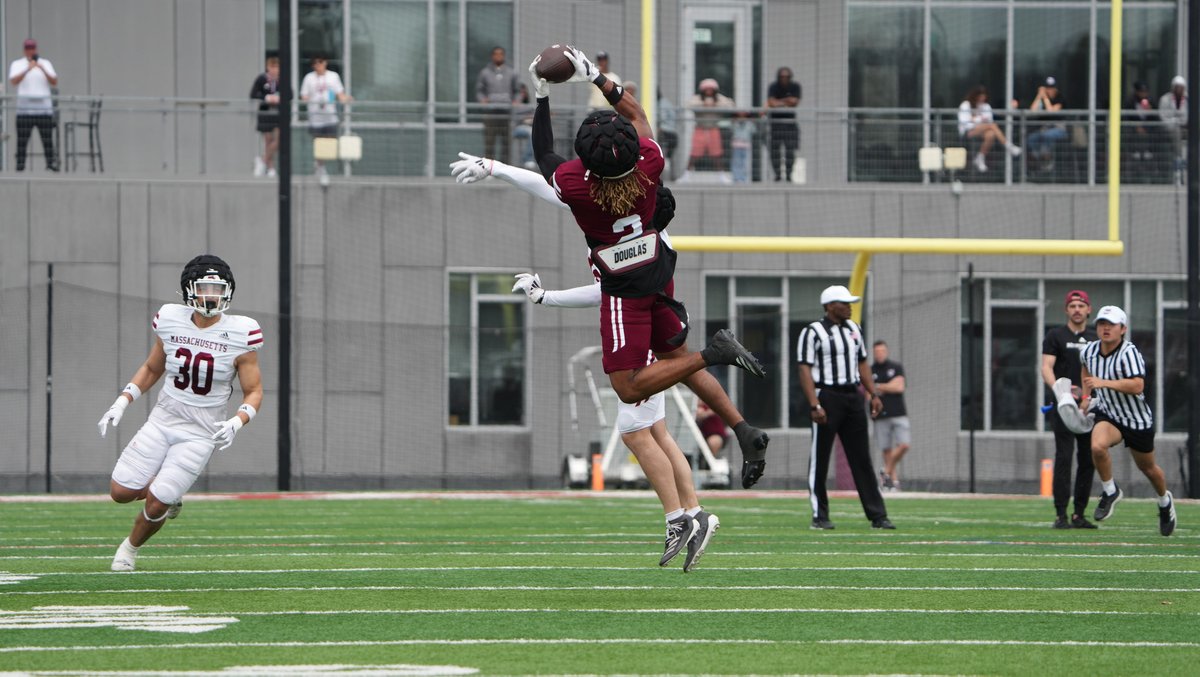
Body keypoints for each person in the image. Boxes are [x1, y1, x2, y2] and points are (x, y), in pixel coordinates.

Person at [448, 144, 771, 491]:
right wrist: (499, 168)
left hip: (638, 335)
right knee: (664, 420)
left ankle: (680, 516)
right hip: (665, 309)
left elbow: (553, 185)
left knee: (635, 424)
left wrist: (546, 297)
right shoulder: (656, 232)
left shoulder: (609, 231)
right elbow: (561, 185)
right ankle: (731, 444)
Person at [527, 48, 771, 489]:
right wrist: (593, 77)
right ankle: (742, 428)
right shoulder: (650, 164)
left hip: (623, 290)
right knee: (675, 358)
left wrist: (542, 94)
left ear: (588, 162)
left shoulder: (577, 188)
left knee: (628, 385)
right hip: (658, 268)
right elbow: (635, 110)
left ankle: (715, 352)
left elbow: (544, 153)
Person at [97, 255, 264, 571]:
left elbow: (254, 390)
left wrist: (238, 421)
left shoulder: (243, 332)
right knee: (120, 492)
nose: (211, 296)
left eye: (218, 289)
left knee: (157, 501)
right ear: (189, 290)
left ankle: (129, 549)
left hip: (201, 431)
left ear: (228, 292)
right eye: (205, 288)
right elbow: (151, 367)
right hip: (163, 419)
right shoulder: (170, 319)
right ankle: (169, 492)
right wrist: (122, 401)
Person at [797, 285, 894, 531]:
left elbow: (862, 363)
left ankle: (878, 515)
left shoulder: (854, 329)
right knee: (820, 457)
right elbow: (804, 369)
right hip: (827, 397)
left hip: (853, 397)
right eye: (845, 303)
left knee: (861, 457)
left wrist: (873, 393)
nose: (850, 307)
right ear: (830, 306)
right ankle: (820, 515)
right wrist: (814, 404)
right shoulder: (813, 332)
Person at [1080, 306, 1176, 537]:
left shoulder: (1128, 352)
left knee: (1149, 468)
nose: (1105, 328)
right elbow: (1085, 371)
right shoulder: (1089, 351)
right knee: (1097, 446)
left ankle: (1165, 502)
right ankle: (1110, 491)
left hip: (1136, 419)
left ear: (1123, 329)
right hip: (1109, 414)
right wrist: (1085, 397)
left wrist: (1104, 383)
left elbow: (1137, 385)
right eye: (1102, 323)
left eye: (1111, 324)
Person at [1040, 290, 1098, 529]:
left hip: (1089, 405)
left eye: (1080, 305)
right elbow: (1046, 367)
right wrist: (1061, 392)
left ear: (1088, 310)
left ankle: (1080, 514)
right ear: (1066, 310)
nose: (1076, 309)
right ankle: (1061, 514)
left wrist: (1087, 396)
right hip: (1063, 406)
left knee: (1088, 458)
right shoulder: (1055, 335)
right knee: (1063, 457)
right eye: (1072, 305)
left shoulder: (1096, 337)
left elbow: (1100, 371)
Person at [8, 38, 59, 172]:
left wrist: (41, 68)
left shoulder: (45, 63)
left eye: (32, 48)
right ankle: (20, 166)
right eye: (28, 48)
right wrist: (27, 69)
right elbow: (13, 81)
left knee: (47, 139)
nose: (30, 51)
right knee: (22, 141)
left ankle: (50, 164)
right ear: (24, 50)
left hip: (44, 111)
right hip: (24, 111)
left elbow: (54, 80)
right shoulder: (18, 64)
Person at [299, 54, 350, 186]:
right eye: (315, 63)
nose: (318, 65)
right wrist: (313, 100)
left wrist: (346, 99)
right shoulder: (309, 78)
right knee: (318, 143)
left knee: (329, 142)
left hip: (330, 116)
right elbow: (304, 96)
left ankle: (319, 164)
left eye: (320, 62)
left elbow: (340, 94)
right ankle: (321, 168)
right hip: (315, 116)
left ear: (325, 63)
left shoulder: (333, 76)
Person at [870, 340, 909, 492]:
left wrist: (878, 386)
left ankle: (885, 472)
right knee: (886, 449)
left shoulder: (896, 367)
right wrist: (888, 386)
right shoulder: (870, 370)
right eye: (877, 351)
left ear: (886, 351)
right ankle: (893, 482)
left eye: (882, 351)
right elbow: (868, 394)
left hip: (898, 412)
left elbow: (899, 387)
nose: (880, 354)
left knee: (904, 444)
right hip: (880, 415)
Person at [958, 85, 1021, 173]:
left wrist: (976, 120)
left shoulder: (986, 106)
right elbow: (964, 122)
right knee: (992, 126)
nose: (982, 99)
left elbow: (989, 120)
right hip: (968, 132)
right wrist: (979, 120)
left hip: (983, 131)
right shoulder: (965, 105)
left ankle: (980, 157)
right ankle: (1009, 146)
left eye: (984, 97)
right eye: (980, 97)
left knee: (991, 134)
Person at [682, 78, 734, 182]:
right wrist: (703, 104)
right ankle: (686, 175)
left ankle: (721, 176)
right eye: (706, 89)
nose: (709, 91)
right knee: (694, 153)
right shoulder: (698, 99)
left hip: (713, 128)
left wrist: (715, 104)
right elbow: (687, 104)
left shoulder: (719, 99)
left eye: (711, 89)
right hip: (700, 128)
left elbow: (730, 104)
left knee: (717, 153)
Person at [476, 46, 521, 163]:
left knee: (506, 142)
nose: (498, 56)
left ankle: (505, 169)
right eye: (496, 54)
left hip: (506, 112)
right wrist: (483, 100)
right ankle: (488, 168)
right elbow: (479, 90)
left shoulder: (511, 73)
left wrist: (516, 101)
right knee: (489, 141)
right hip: (491, 112)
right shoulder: (485, 73)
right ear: (492, 56)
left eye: (501, 54)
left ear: (504, 56)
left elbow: (517, 90)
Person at [765, 67, 800, 182]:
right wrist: (786, 101)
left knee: (790, 151)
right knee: (774, 151)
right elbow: (771, 103)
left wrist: (779, 102)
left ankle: (789, 174)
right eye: (782, 77)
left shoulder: (795, 87)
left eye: (787, 77)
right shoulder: (773, 87)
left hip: (789, 124)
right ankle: (778, 175)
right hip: (775, 124)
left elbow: (795, 102)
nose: (784, 79)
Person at [250, 54, 281, 177]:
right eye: (272, 67)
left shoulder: (282, 79)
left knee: (278, 140)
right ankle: (271, 167)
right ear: (268, 67)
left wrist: (279, 98)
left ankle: (262, 160)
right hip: (265, 111)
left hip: (278, 112)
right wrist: (266, 97)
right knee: (268, 140)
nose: (275, 70)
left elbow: (290, 94)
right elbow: (253, 94)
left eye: (277, 67)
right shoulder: (262, 79)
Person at [1026, 77, 1066, 171]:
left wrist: (1045, 98)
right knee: (1031, 138)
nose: (1049, 90)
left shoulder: (1060, 98)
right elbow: (1032, 111)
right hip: (1044, 130)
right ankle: (1039, 160)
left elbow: (1051, 111)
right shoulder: (1042, 99)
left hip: (1058, 129)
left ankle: (1048, 160)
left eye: (1052, 88)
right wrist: (1039, 96)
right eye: (1047, 88)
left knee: (1046, 136)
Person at [1158, 75, 1188, 175]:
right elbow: (1163, 116)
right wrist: (1174, 121)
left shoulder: (1188, 99)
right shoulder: (1165, 99)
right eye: (1177, 87)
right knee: (1177, 132)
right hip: (1169, 129)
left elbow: (1187, 116)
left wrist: (1181, 121)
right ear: (1173, 87)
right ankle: (1179, 158)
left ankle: (1186, 160)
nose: (1179, 89)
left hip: (1184, 128)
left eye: (1181, 87)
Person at [656, 89, 679, 178]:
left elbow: (662, 118)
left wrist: (659, 128)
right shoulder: (666, 102)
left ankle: (663, 166)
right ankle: (669, 168)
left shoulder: (661, 104)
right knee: (669, 156)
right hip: (673, 133)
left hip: (666, 132)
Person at [729, 110, 756, 183]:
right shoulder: (735, 123)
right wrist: (734, 122)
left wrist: (752, 122)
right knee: (737, 162)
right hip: (737, 145)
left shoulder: (749, 123)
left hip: (746, 145)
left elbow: (753, 130)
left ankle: (744, 178)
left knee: (745, 163)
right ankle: (736, 178)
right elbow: (731, 130)